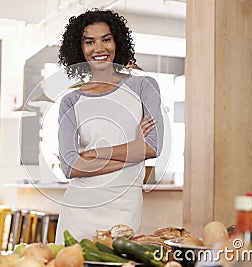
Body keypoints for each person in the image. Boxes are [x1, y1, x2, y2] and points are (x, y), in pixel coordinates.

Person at [55, 8, 164, 243]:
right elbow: (70, 166)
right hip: (78, 209)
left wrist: (94, 154)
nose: (99, 48)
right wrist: (134, 149)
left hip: (123, 206)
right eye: (89, 42)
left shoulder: (143, 86)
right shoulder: (71, 101)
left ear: (117, 42)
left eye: (106, 39)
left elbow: (153, 147)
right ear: (80, 48)